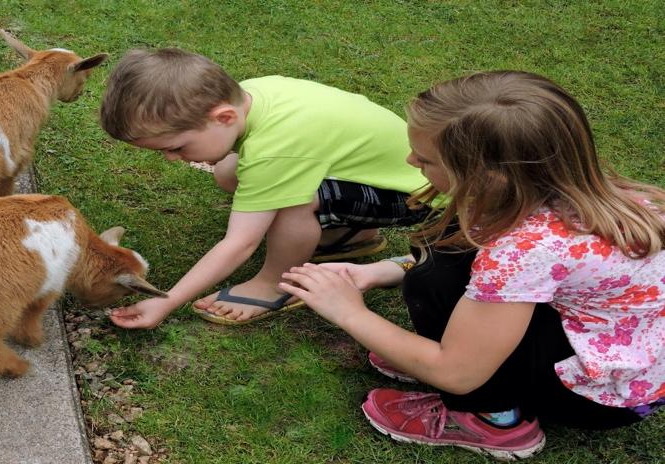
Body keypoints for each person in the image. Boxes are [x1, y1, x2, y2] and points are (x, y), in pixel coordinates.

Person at [280, 70, 665, 460]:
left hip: (599, 399)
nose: (410, 160)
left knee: (431, 283)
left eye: (426, 159)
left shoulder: (526, 249)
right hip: (626, 358)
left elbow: (456, 373)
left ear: (487, 176)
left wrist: (349, 313)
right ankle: (453, 361)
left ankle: (495, 420)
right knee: (440, 254)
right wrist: (383, 270)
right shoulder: (561, 193)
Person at [99, 48, 430, 328]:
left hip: (421, 195)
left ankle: (275, 283)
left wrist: (165, 302)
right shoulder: (250, 92)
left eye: (176, 147)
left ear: (225, 117)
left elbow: (239, 244)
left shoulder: (274, 150)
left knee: (292, 204)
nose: (172, 159)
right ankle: (348, 238)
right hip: (388, 174)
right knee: (230, 171)